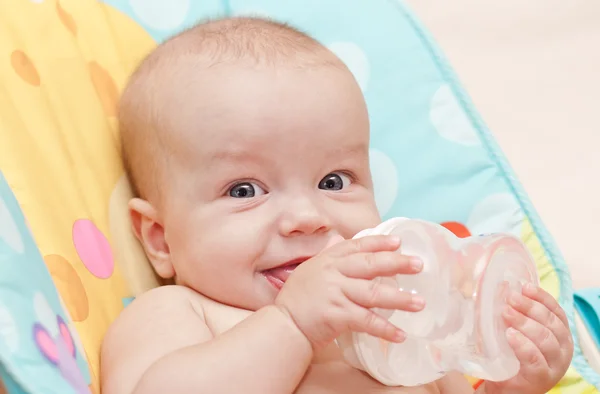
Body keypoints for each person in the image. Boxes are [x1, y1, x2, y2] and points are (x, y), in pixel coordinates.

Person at [100, 17, 573, 394]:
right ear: (160, 239)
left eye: (333, 180)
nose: (308, 218)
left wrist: (511, 385)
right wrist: (292, 325)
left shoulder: (404, 319)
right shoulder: (179, 314)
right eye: (245, 190)